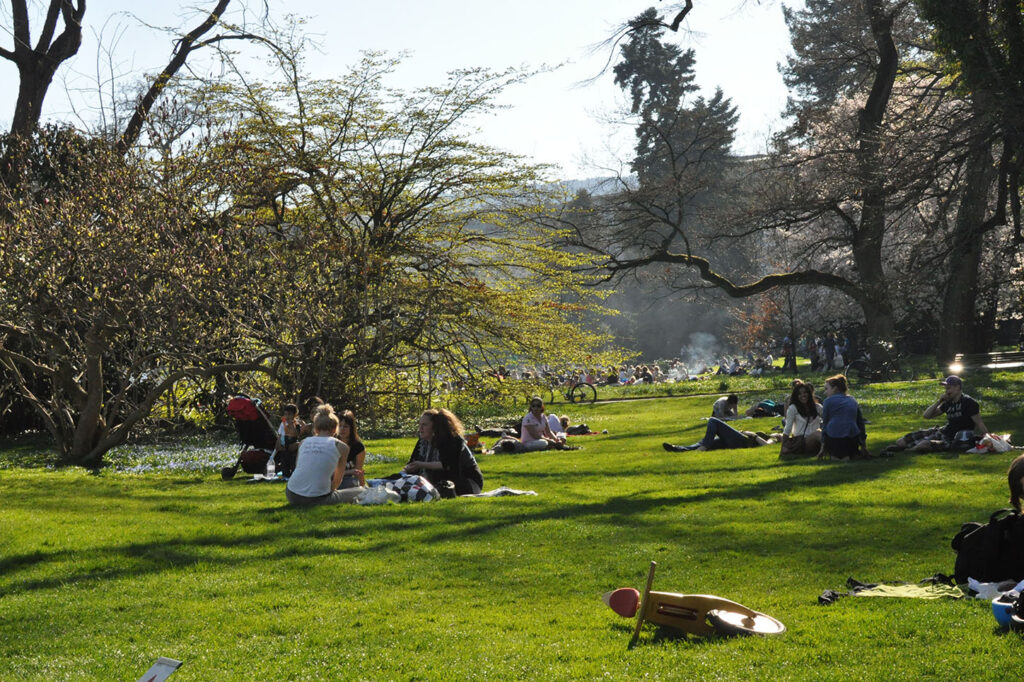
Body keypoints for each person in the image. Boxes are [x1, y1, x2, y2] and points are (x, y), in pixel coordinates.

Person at [285, 404, 365, 506]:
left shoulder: (303, 442)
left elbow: (298, 467)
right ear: (334, 429)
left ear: (316, 429)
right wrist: (328, 491)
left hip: (291, 494)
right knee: (361, 491)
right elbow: (337, 480)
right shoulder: (342, 447)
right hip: (317, 498)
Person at [889, 375, 988, 453]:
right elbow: (927, 416)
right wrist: (939, 401)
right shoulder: (948, 403)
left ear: (957, 388)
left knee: (923, 445)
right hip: (941, 431)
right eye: (945, 388)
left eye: (948, 388)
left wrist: (988, 438)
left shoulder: (969, 402)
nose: (946, 391)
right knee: (900, 442)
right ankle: (904, 448)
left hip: (952, 438)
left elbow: (979, 423)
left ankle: (908, 451)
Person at [405, 408, 484, 495]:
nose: (420, 428)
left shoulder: (452, 440)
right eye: (419, 425)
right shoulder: (422, 441)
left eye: (424, 425)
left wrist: (421, 464)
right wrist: (405, 471)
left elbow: (448, 465)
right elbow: (413, 461)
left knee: (437, 486)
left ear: (435, 426)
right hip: (442, 479)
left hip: (466, 482)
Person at [818, 374, 868, 460]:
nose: (825, 392)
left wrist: (822, 448)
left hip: (834, 436)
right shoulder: (852, 400)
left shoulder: (828, 401)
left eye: (826, 389)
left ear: (835, 388)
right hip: (852, 436)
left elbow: (825, 424)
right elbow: (860, 423)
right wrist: (863, 445)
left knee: (837, 458)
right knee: (850, 456)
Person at [662, 419, 781, 452]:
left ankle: (704, 446)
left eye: (780, 434)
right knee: (705, 441)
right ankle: (678, 449)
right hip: (738, 440)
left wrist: (753, 435)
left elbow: (767, 446)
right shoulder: (766, 434)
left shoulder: (773, 439)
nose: (779, 433)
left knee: (713, 421)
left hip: (743, 443)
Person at [780, 381, 821, 458]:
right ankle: (824, 452)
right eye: (799, 394)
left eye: (805, 392)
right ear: (796, 396)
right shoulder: (793, 408)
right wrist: (782, 449)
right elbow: (787, 429)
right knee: (817, 433)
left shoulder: (817, 407)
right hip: (801, 441)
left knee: (821, 433)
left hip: (816, 441)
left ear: (809, 393)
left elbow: (828, 418)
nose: (803, 395)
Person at [336, 409, 367, 488]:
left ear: (351, 428)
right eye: (340, 425)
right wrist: (351, 471)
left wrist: (364, 487)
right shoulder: (332, 443)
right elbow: (329, 473)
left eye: (345, 426)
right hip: (331, 478)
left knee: (351, 483)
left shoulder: (358, 447)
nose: (342, 429)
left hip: (347, 479)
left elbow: (358, 471)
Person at [275, 403, 303, 476]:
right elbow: (280, 434)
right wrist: (278, 444)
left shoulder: (296, 424)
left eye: (289, 414)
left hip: (292, 444)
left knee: (293, 461)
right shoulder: (283, 423)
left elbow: (296, 434)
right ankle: (285, 473)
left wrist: (291, 425)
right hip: (283, 445)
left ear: (295, 415)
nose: (287, 416)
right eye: (285, 414)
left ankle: (294, 474)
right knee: (284, 461)